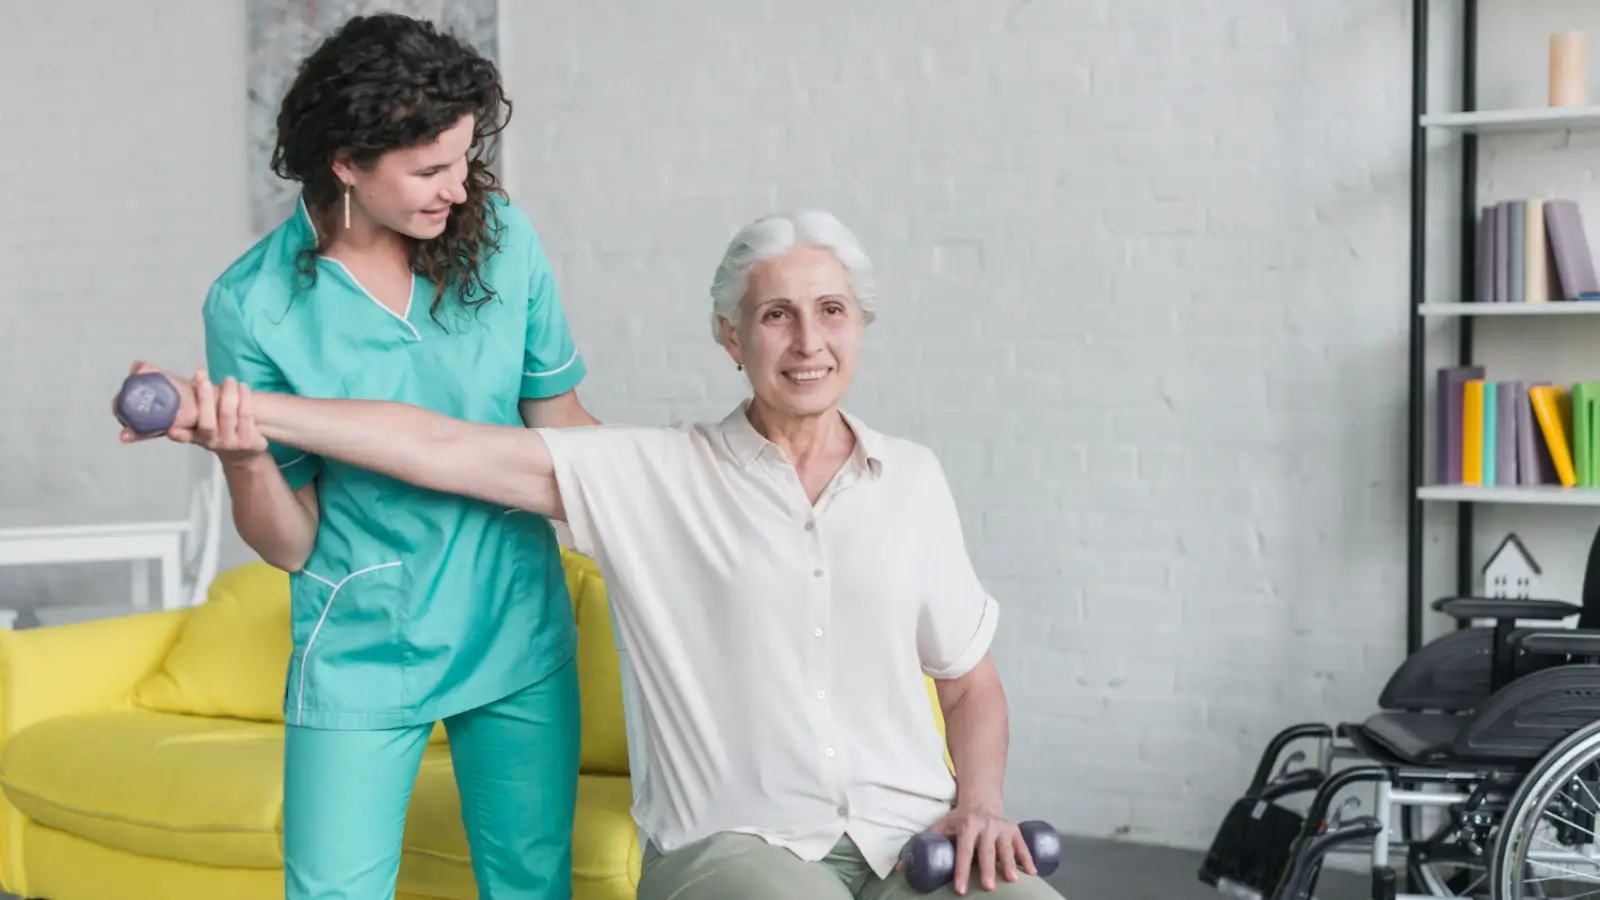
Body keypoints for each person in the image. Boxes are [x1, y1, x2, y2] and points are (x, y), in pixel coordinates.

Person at [119, 211, 1066, 900]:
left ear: (860, 327)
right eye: (777, 315)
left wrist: (980, 802)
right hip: (740, 852)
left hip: (914, 836)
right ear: (729, 337)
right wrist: (228, 412)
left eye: (831, 311)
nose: (809, 341)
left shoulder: (914, 480)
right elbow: (434, 442)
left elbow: (971, 685)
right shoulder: (652, 478)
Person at [170, 12, 597, 900]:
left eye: (466, 160)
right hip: (365, 642)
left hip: (513, 618)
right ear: (347, 163)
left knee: (531, 882)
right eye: (429, 170)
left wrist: (686, 498)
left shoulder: (500, 237)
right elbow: (288, 543)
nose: (459, 189)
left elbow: (561, 421)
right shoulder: (252, 308)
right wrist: (244, 456)